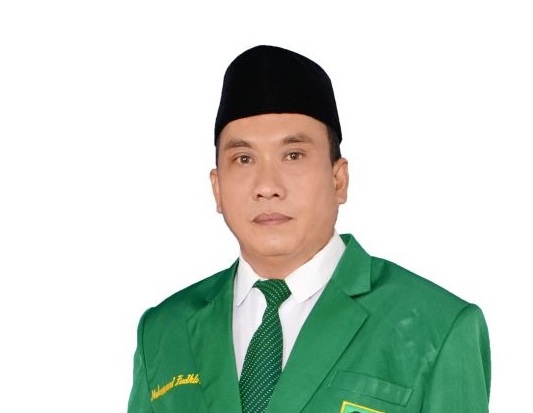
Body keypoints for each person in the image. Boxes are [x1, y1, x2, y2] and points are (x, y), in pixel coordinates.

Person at [127, 45, 491, 413]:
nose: (267, 186)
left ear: (338, 180)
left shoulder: (437, 327)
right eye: (244, 158)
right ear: (217, 188)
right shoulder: (164, 330)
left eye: (293, 155)